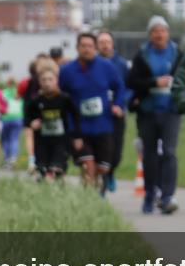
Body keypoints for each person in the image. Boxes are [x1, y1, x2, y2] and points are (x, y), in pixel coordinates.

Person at [128, 16, 185, 214]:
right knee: (150, 155)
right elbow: (132, 81)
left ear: (168, 33)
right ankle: (150, 194)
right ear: (150, 35)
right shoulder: (142, 54)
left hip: (171, 110)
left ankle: (167, 196)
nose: (159, 34)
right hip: (148, 111)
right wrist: (154, 83)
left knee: (169, 152)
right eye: (155, 31)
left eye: (162, 31)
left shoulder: (178, 53)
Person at [59, 33, 127, 193]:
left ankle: (98, 187)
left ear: (95, 48)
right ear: (77, 48)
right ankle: (90, 197)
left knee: (102, 168)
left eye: (90, 46)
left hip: (103, 126)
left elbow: (120, 87)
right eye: (83, 46)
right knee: (87, 164)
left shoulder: (106, 67)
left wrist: (117, 104)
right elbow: (61, 96)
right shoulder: (67, 71)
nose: (87, 49)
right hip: (79, 127)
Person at [25, 64, 81, 181]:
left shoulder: (64, 99)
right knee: (43, 168)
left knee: (57, 168)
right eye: (44, 80)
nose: (47, 83)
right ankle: (46, 184)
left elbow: (76, 115)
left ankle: (56, 182)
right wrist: (32, 123)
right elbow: (27, 118)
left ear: (56, 81)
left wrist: (77, 136)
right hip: (42, 141)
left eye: (50, 79)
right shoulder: (36, 101)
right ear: (39, 82)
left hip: (61, 141)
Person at [98, 31, 134, 193]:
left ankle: (111, 171)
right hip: (99, 115)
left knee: (116, 151)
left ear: (112, 44)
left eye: (107, 42)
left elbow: (129, 87)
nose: (105, 45)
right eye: (101, 42)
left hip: (117, 113)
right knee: (102, 148)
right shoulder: (93, 64)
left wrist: (121, 104)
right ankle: (103, 181)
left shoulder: (121, 64)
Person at [0, 77, 23, 169]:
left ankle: (6, 158)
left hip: (5, 117)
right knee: (14, 139)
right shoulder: (19, 93)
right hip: (18, 117)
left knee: (5, 139)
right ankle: (13, 158)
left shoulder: (3, 93)